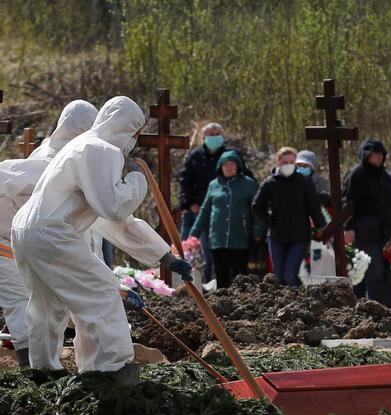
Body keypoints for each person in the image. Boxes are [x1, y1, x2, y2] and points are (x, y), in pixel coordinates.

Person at [11, 96, 192, 382]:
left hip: (25, 230)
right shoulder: (101, 149)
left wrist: (163, 256)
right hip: (51, 232)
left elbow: (111, 221)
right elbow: (112, 207)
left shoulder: (79, 147)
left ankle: (43, 371)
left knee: (46, 305)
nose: (133, 140)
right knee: (102, 293)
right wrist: (137, 181)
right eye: (134, 132)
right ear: (125, 127)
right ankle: (110, 370)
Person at [0, 100, 98, 367]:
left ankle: (42, 366)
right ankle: (31, 370)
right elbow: (4, 175)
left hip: (32, 242)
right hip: (5, 238)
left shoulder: (74, 162)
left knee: (44, 307)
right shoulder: (49, 161)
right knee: (21, 302)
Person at [342, 139, 391, 307]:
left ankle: (387, 312)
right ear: (365, 155)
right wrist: (348, 227)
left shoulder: (388, 178)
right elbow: (346, 202)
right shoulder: (356, 174)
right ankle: (370, 311)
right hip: (363, 233)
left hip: (385, 236)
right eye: (373, 155)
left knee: (384, 276)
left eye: (380, 155)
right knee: (370, 274)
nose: (377, 158)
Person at [253, 147, 326, 286]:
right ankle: (284, 305)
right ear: (278, 162)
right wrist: (270, 222)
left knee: (290, 275)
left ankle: (301, 300)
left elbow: (314, 208)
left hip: (300, 237)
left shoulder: (304, 182)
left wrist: (322, 228)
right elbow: (256, 206)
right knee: (279, 277)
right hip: (277, 237)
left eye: (292, 162)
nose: (289, 165)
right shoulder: (270, 183)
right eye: (285, 161)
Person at [190, 150, 263, 289]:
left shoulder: (249, 184)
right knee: (221, 275)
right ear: (220, 166)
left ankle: (242, 303)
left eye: (232, 164)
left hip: (240, 237)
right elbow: (205, 210)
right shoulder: (213, 185)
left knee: (240, 276)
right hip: (218, 239)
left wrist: (257, 231)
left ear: (238, 166)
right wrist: (194, 233)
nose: (229, 167)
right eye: (225, 164)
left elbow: (257, 209)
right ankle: (222, 304)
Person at [178, 123, 228, 282]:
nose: (214, 138)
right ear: (204, 138)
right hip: (195, 211)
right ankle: (184, 285)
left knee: (211, 255)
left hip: (219, 213)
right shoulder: (195, 157)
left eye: (217, 134)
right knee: (187, 252)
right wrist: (191, 203)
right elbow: (185, 182)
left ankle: (209, 285)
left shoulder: (229, 157)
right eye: (210, 135)